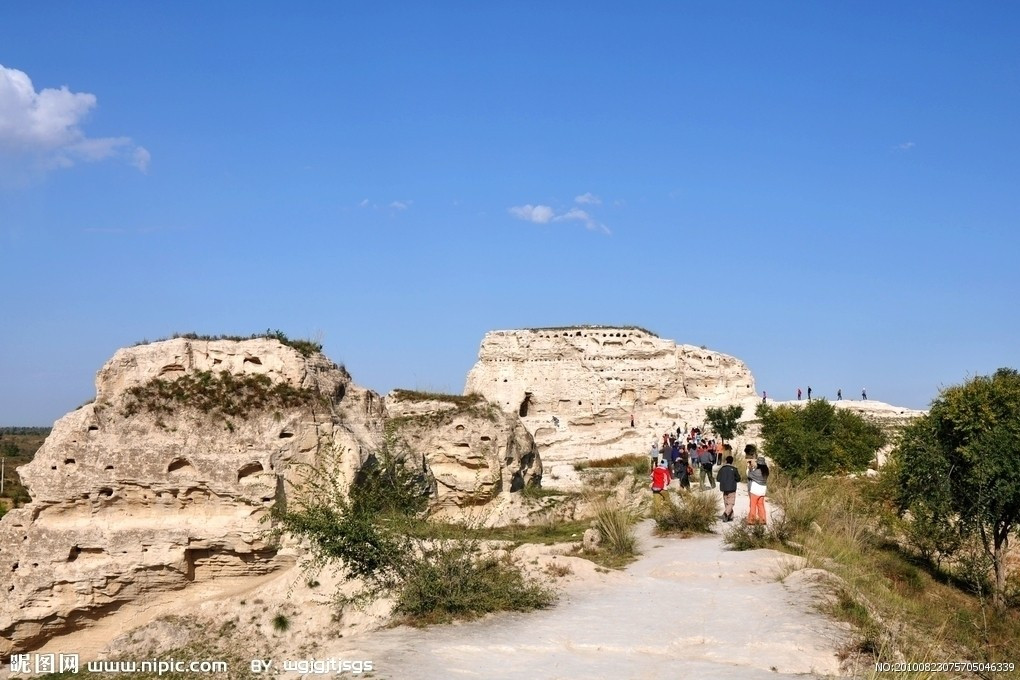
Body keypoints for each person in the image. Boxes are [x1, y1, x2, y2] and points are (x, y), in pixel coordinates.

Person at [717, 455, 741, 521]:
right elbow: (738, 479)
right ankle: (725, 514)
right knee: (731, 503)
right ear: (732, 461)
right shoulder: (734, 469)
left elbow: (718, 479)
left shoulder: (722, 469)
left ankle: (729, 516)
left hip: (724, 488)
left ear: (726, 461)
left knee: (726, 502)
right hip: (732, 488)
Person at [747, 457, 769, 525]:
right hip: (762, 490)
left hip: (755, 490)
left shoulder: (757, 471)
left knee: (753, 505)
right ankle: (763, 520)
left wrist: (750, 468)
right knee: (761, 505)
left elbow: (749, 475)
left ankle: (752, 520)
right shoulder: (766, 471)